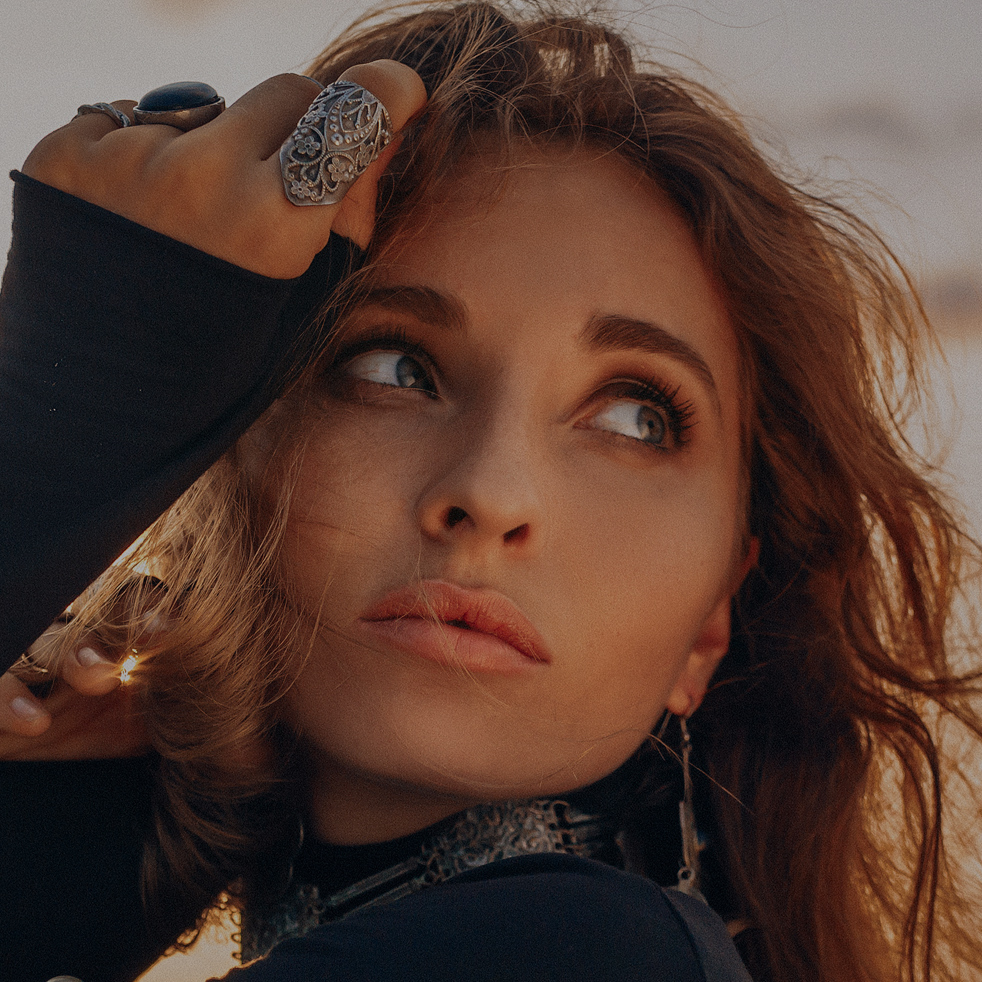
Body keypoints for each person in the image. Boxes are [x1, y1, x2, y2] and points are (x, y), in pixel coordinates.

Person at [1, 3, 980, 981]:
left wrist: (71, 405)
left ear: (711, 623)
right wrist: (61, 851)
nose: (491, 492)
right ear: (247, 459)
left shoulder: (595, 956)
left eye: (636, 418)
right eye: (394, 367)